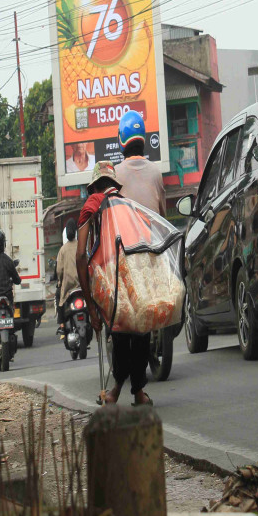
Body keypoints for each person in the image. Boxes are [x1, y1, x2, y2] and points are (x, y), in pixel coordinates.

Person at [76, 160, 153, 407]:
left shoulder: (91, 204)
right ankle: (136, 391)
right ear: (113, 184)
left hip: (109, 278)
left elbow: (80, 254)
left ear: (95, 186)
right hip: (135, 274)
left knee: (119, 330)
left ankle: (118, 390)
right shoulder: (129, 205)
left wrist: (90, 303)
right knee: (140, 329)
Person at [114, 110, 166, 216]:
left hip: (126, 232)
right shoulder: (155, 172)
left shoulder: (114, 174)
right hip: (153, 232)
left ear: (120, 137)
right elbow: (162, 217)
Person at [55, 219, 80, 326]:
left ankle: (62, 326)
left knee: (58, 296)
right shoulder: (81, 245)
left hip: (68, 286)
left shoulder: (63, 250)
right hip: (82, 284)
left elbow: (59, 270)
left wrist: (60, 282)